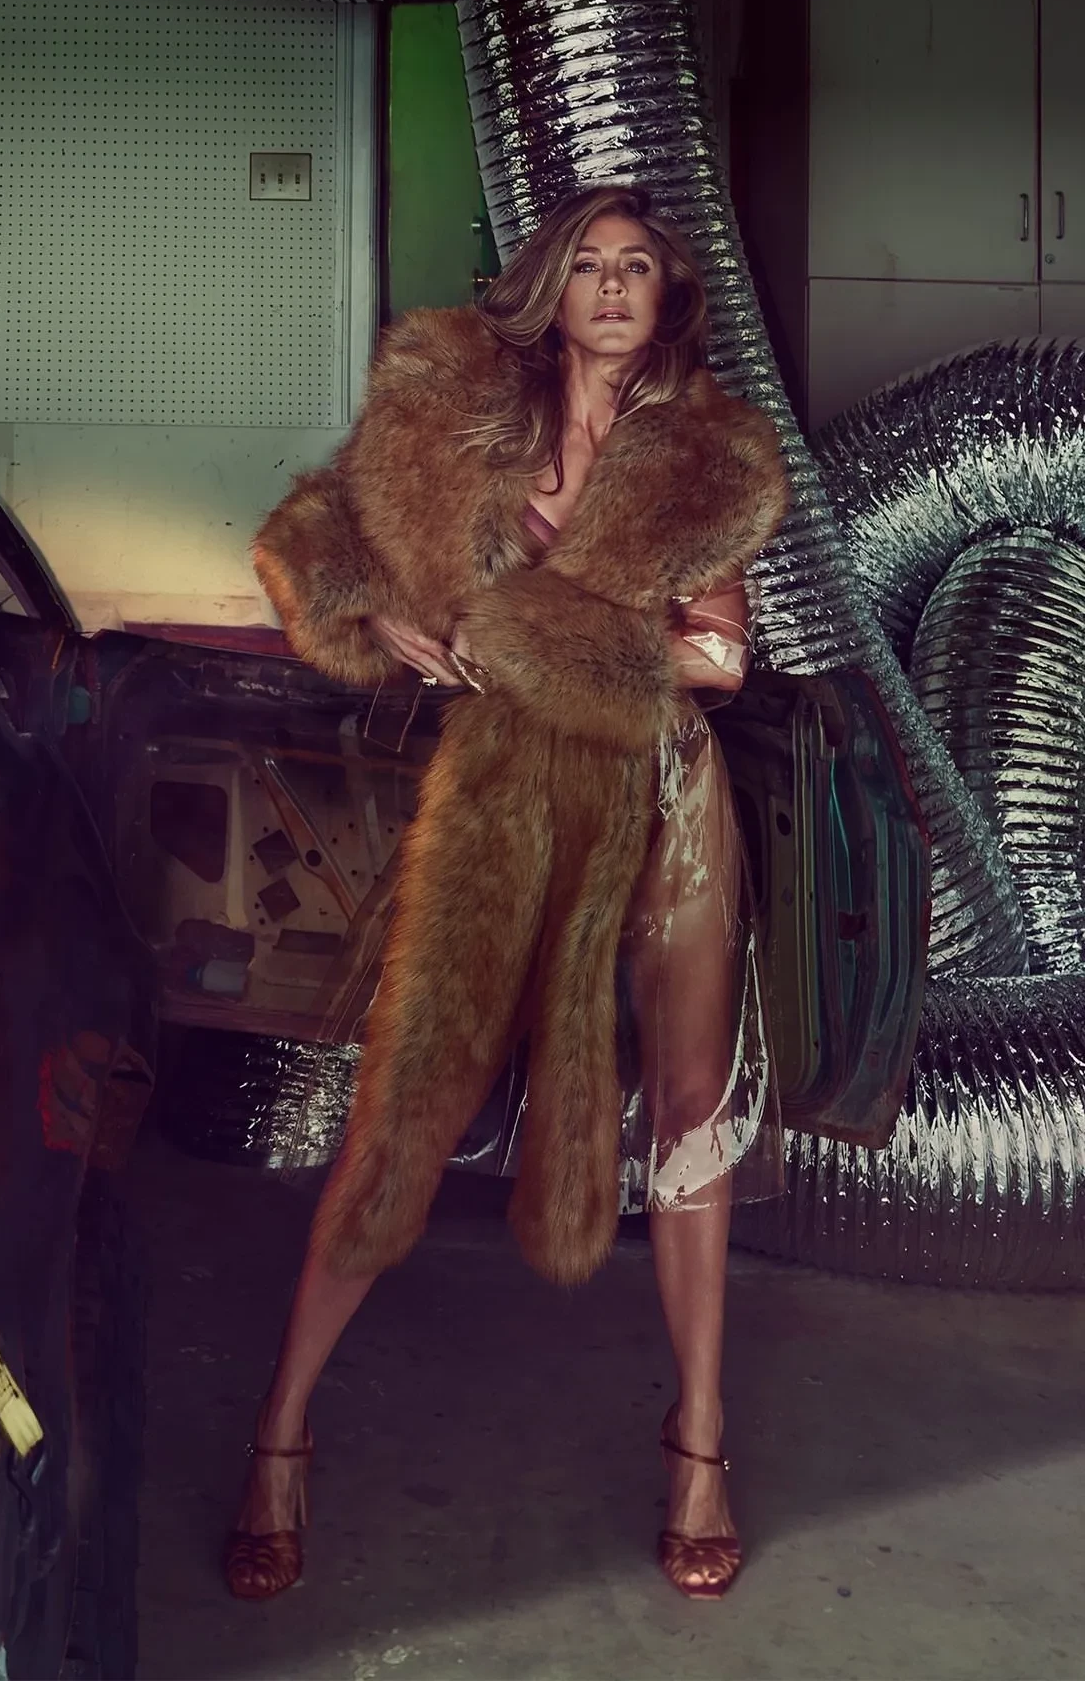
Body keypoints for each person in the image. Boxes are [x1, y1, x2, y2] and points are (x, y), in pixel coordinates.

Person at [229, 184, 789, 1603]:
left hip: (663, 795)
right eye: (588, 263)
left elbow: (721, 660)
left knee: (690, 1110)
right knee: (410, 1096)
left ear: (669, 296)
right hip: (504, 794)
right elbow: (309, 538)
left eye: (638, 267)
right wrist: (376, 610)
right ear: (551, 285)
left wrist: (519, 637)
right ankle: (282, 1432)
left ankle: (699, 1443)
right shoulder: (455, 409)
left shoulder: (710, 454)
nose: (611, 286)